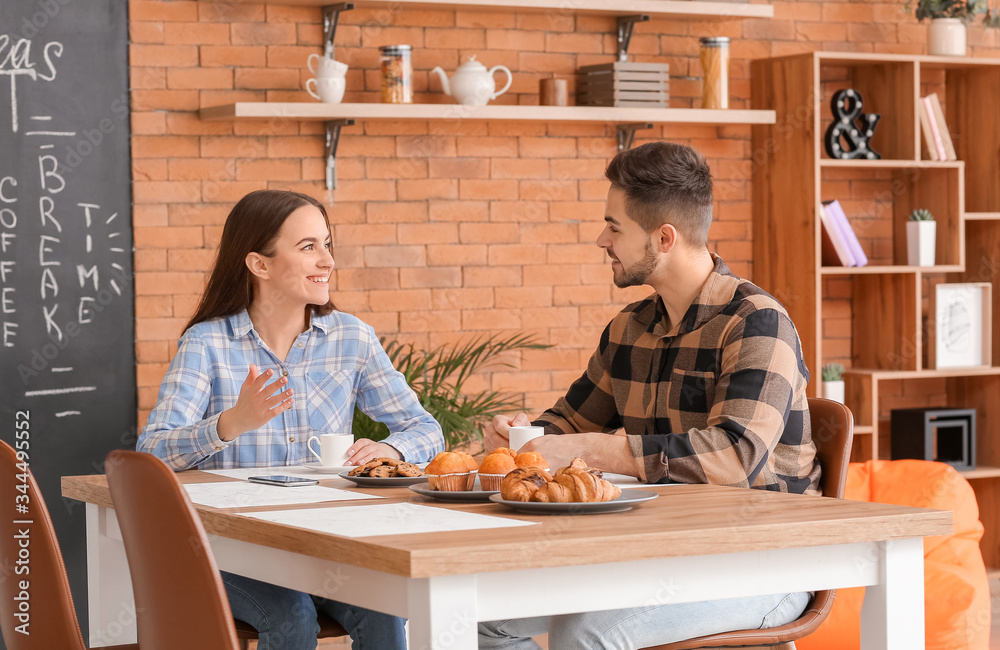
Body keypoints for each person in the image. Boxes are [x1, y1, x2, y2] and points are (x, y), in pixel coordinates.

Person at [479, 142, 821, 649]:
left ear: (664, 238)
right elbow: (570, 422)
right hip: (661, 555)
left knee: (582, 632)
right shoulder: (630, 329)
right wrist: (524, 437)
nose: (601, 239)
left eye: (613, 227)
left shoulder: (756, 323)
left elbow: (736, 458)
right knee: (483, 617)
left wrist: (592, 450)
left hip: (764, 563)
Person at [139, 189, 444, 650]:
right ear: (259, 264)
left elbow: (426, 429)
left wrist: (392, 449)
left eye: (327, 244)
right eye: (308, 247)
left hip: (324, 548)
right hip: (230, 550)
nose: (327, 261)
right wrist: (231, 423)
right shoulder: (207, 344)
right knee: (292, 617)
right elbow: (151, 452)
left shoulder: (351, 338)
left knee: (384, 608)